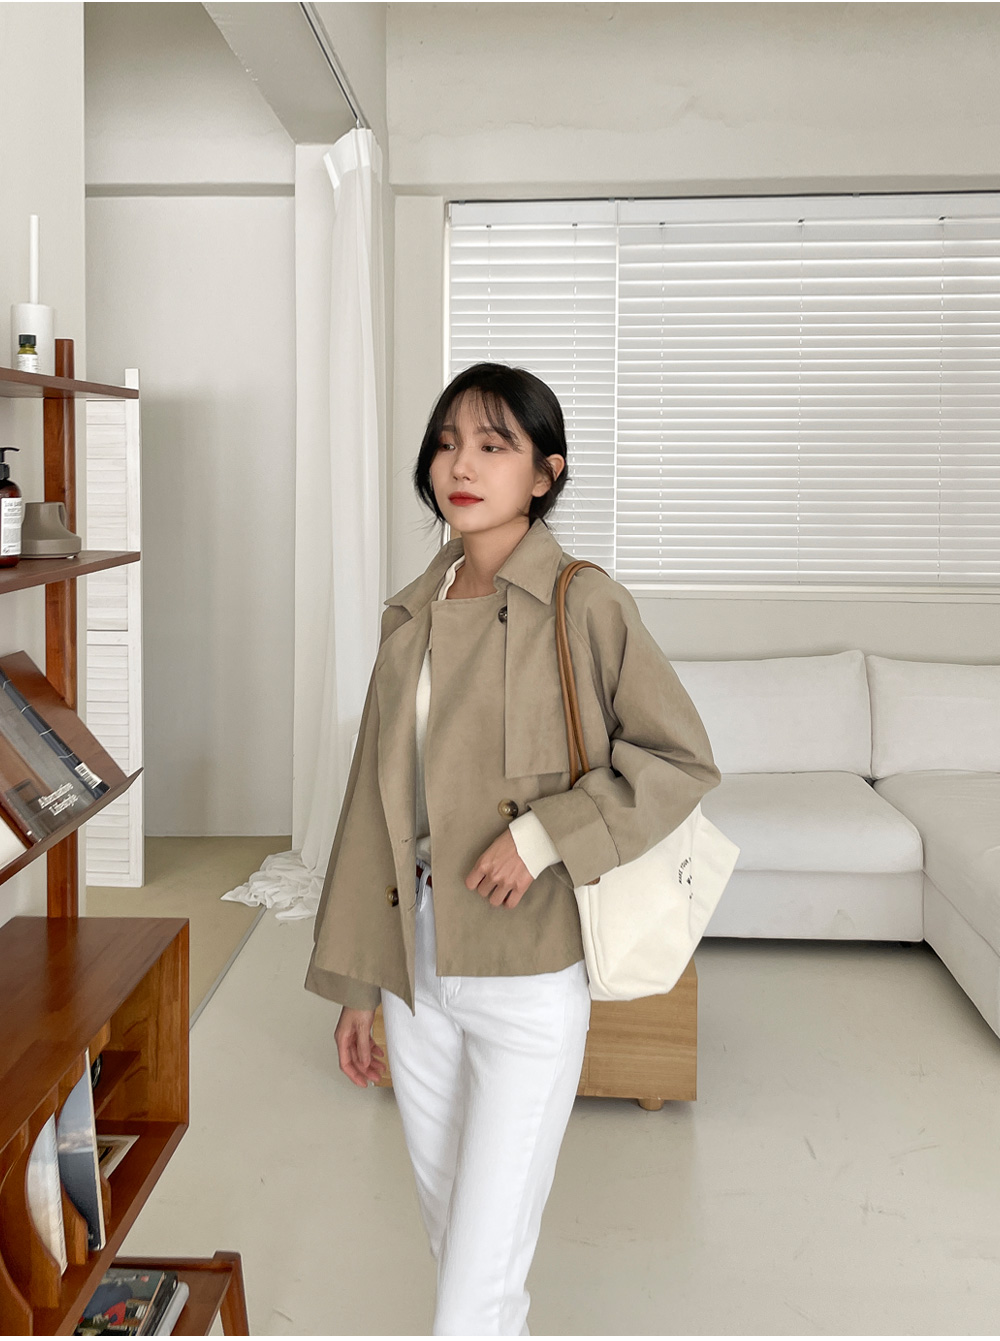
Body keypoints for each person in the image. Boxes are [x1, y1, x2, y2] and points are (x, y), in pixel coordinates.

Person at [304, 362, 721, 1335]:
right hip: (419, 966)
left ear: (544, 473)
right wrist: (361, 983)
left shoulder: (584, 603)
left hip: (528, 970)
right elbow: (371, 805)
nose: (462, 465)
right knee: (465, 1256)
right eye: (448, 443)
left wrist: (540, 837)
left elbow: (679, 759)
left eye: (494, 445)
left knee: (468, 1296)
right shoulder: (408, 615)